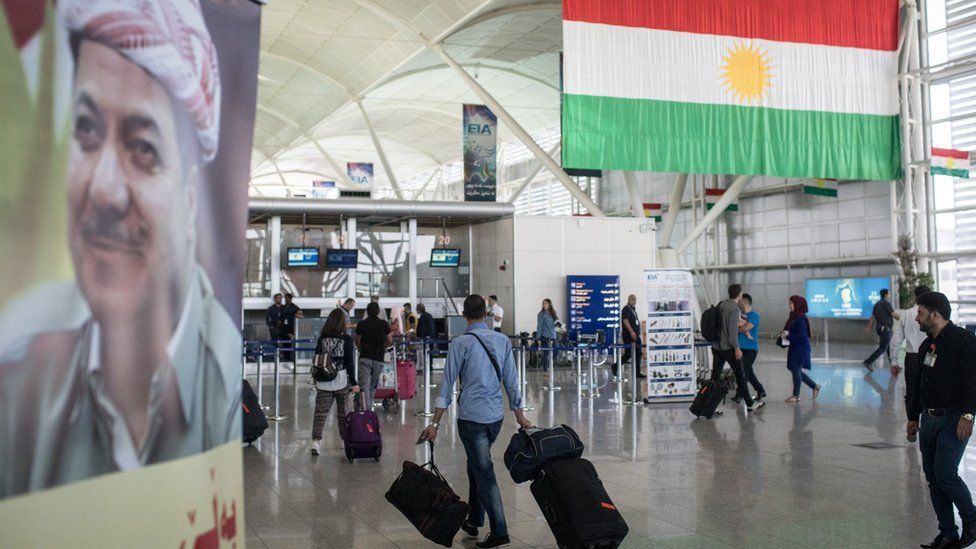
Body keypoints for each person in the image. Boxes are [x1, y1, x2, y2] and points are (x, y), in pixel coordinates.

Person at [0, 0, 240, 497]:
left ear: (192, 200)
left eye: (143, 148)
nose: (103, 190)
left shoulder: (229, 389)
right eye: (86, 130)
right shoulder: (18, 381)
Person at [421, 295, 533, 549]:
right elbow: (512, 381)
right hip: (495, 418)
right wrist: (520, 415)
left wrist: (435, 424)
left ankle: (500, 530)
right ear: (485, 314)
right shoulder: (503, 341)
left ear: (464, 315)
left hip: (471, 419)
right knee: (476, 465)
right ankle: (474, 519)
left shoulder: (460, 343)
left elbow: (447, 385)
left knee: (484, 472)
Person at [907, 291, 976, 549]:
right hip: (929, 420)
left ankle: (972, 518)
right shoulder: (927, 345)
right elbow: (918, 384)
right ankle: (947, 532)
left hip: (954, 418)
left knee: (945, 473)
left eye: (921, 313)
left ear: (935, 315)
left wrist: (968, 416)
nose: (916, 318)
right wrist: (913, 416)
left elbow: (972, 382)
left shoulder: (964, 341)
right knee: (933, 479)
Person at [310, 309, 360, 456]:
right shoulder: (346, 340)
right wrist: (354, 382)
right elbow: (349, 363)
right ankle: (346, 441)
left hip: (324, 379)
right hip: (341, 380)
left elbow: (318, 359)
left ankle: (315, 441)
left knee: (320, 413)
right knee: (343, 414)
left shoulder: (322, 339)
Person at [711, 285, 764, 411]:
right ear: (739, 295)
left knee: (715, 378)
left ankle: (709, 405)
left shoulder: (722, 305)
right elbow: (732, 332)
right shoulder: (734, 308)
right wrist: (736, 348)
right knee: (740, 376)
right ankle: (750, 404)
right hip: (727, 348)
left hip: (716, 346)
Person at [891, 285, 931, 424]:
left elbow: (896, 340)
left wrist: (894, 361)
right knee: (929, 386)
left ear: (915, 297)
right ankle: (927, 420)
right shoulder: (933, 313)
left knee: (912, 391)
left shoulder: (907, 314)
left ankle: (912, 421)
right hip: (930, 356)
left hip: (912, 357)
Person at [781, 296, 821, 403]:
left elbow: (801, 335)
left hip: (801, 348)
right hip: (794, 347)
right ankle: (814, 386)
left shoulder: (801, 318)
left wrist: (787, 337)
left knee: (795, 370)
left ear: (797, 304)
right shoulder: (793, 316)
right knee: (795, 370)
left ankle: (796, 395)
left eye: (791, 303)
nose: (789, 305)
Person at [355, 302, 392, 410]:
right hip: (379, 358)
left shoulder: (362, 324)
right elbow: (389, 340)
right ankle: (369, 405)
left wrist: (362, 347)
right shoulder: (384, 324)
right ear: (378, 312)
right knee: (373, 384)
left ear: (367, 311)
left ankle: (365, 408)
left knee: (364, 385)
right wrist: (383, 347)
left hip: (365, 357)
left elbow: (357, 341)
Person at [737, 293, 766, 403]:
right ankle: (760, 390)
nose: (739, 304)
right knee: (748, 371)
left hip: (750, 349)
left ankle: (739, 394)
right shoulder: (739, 314)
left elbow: (745, 328)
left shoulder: (755, 315)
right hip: (740, 348)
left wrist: (736, 330)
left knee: (743, 371)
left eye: (740, 302)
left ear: (745, 302)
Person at [863, 288, 900, 371]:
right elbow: (893, 314)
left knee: (888, 347)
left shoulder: (876, 304)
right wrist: (903, 320)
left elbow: (872, 317)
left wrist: (869, 326)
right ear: (886, 295)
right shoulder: (886, 303)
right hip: (886, 329)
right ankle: (868, 361)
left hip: (880, 328)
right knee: (883, 347)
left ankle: (894, 366)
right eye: (889, 294)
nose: (889, 296)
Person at [620, 294, 646, 378]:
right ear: (628, 300)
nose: (634, 301)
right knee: (628, 354)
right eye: (632, 299)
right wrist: (631, 332)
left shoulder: (633, 310)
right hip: (629, 336)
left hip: (636, 336)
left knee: (638, 353)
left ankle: (637, 373)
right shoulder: (626, 309)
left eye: (635, 299)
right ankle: (615, 366)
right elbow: (625, 321)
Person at [536, 299, 558, 372]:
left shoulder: (553, 313)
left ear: (549, 304)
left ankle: (548, 363)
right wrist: (538, 337)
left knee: (556, 350)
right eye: (543, 304)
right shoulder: (541, 314)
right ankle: (545, 369)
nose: (544, 305)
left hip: (553, 335)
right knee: (546, 353)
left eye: (546, 303)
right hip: (545, 335)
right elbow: (539, 326)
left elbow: (556, 323)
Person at [282, 293, 303, 362]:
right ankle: (286, 357)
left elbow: (299, 316)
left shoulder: (295, 307)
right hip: (285, 329)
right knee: (285, 344)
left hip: (292, 328)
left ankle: (292, 358)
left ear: (290, 299)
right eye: (285, 298)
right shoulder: (283, 307)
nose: (285, 300)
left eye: (287, 298)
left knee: (292, 344)